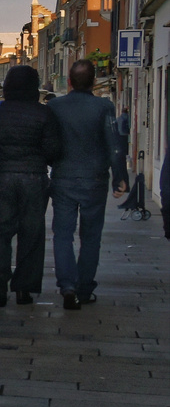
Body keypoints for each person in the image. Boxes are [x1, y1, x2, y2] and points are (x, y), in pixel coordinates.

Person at [47, 59, 127, 309]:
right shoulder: (103, 106)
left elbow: (49, 143)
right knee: (91, 237)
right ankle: (84, 288)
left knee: (62, 234)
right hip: (94, 178)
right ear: (94, 81)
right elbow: (114, 143)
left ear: (69, 81)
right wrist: (120, 177)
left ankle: (67, 285)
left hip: (63, 177)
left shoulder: (55, 106)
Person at [0, 65, 62, 307]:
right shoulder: (44, 113)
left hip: (2, 177)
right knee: (32, 234)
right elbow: (53, 150)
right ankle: (24, 289)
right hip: (34, 179)